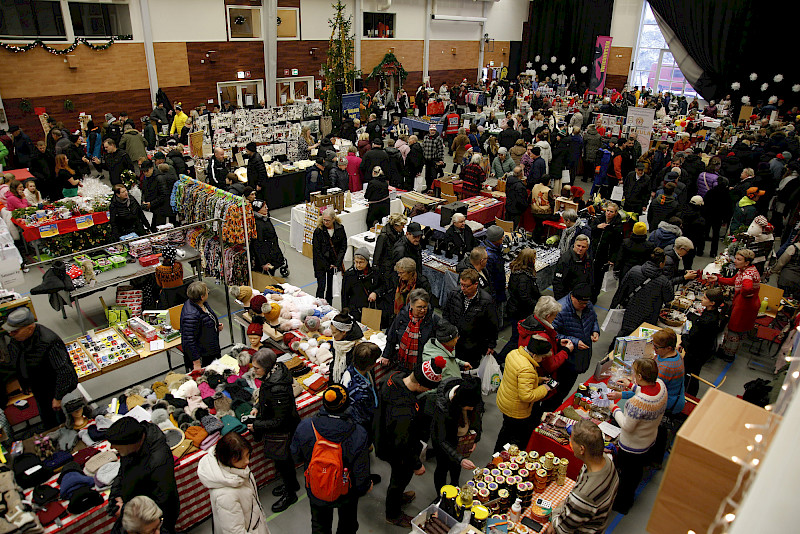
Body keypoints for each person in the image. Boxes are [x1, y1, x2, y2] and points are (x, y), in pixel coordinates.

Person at [374, 356, 445, 528]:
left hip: (381, 434)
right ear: (421, 385)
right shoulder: (405, 411)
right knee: (400, 478)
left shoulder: (394, 377)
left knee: (398, 480)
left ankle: (397, 498)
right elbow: (403, 444)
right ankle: (393, 514)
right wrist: (416, 464)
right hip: (394, 449)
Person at [290, 385, 372, 534]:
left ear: (324, 404)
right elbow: (361, 471)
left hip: (317, 485)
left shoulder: (305, 427)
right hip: (346, 490)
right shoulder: (358, 433)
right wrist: (364, 486)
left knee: (319, 526)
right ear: (347, 404)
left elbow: (295, 456)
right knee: (347, 525)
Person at [607, 358, 667, 514]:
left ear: (640, 376)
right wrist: (631, 386)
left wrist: (614, 408)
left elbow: (627, 426)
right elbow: (646, 391)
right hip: (648, 439)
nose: (633, 375)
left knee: (627, 477)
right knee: (635, 473)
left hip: (632, 446)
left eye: (634, 373)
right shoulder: (661, 386)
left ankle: (621, 504)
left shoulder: (638, 403)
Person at [3, 307, 78, 430]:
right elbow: (20, 360)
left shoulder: (49, 342)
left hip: (55, 389)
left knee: (62, 422)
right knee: (47, 418)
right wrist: (23, 382)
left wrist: (58, 397)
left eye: (15, 331)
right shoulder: (19, 339)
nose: (10, 334)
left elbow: (64, 372)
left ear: (30, 328)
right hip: (39, 387)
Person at [246, 348, 301, 513]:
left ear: (268, 367)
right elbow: (265, 396)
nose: (253, 371)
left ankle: (291, 494)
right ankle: (291, 484)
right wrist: (257, 407)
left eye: (256, 368)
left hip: (283, 431)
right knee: (284, 463)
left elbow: (279, 420)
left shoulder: (278, 388)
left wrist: (257, 425)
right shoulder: (272, 376)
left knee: (283, 462)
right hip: (280, 426)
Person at [105, 418, 179, 533]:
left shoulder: (158, 460)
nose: (112, 448)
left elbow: (163, 501)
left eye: (115, 445)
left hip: (152, 521)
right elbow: (122, 474)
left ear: (131, 443)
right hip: (134, 511)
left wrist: (125, 510)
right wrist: (115, 496)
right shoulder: (130, 447)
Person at [545, 420, 619, 534]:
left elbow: (561, 529)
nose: (570, 442)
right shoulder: (607, 461)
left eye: (572, 440)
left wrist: (556, 511)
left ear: (582, 449)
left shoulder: (584, 495)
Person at [197, 432, 270, 534]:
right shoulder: (225, 495)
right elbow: (234, 531)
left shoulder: (238, 468)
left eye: (247, 455)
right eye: (241, 458)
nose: (247, 461)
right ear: (228, 459)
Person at [494, 336, 554, 451]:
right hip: (516, 410)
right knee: (514, 438)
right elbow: (527, 396)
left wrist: (538, 379)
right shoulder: (527, 368)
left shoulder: (514, 354)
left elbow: (517, 378)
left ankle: (495, 455)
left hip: (506, 400)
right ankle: (506, 458)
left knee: (505, 431)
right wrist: (545, 388)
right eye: (542, 357)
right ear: (535, 355)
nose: (542, 360)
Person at [431, 376, 483, 492]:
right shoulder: (443, 408)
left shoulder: (472, 395)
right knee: (442, 468)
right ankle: (442, 494)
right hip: (444, 443)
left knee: (456, 467)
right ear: (459, 403)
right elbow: (442, 440)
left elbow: (477, 419)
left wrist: (475, 439)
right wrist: (460, 459)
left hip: (460, 440)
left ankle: (455, 486)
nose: (472, 409)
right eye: (469, 407)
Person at [707, 249, 760, 361]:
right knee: (734, 329)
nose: (735, 261)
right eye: (735, 258)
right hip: (744, 304)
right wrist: (718, 279)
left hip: (744, 307)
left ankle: (728, 355)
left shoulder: (747, 274)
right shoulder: (744, 270)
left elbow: (747, 288)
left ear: (747, 262)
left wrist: (744, 294)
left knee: (734, 329)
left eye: (739, 259)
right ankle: (727, 350)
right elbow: (733, 281)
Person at [610, 248, 673, 341]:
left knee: (623, 336)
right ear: (660, 264)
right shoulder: (663, 281)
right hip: (649, 316)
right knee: (640, 341)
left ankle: (613, 352)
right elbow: (669, 298)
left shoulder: (634, 270)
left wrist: (612, 307)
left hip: (630, 311)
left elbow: (621, 290)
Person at [552, 283, 600, 404]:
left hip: (580, 357)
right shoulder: (560, 310)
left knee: (566, 389)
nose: (584, 306)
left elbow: (593, 318)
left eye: (586, 303)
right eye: (581, 303)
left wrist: (595, 330)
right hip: (565, 361)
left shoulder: (587, 304)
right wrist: (574, 341)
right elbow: (553, 334)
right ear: (573, 297)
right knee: (558, 393)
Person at [442, 268, 499, 368]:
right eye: (461, 284)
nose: (462, 288)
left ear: (476, 284)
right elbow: (446, 313)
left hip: (473, 346)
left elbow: (492, 324)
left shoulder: (486, 301)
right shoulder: (454, 294)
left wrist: (491, 344)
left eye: (466, 286)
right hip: (453, 342)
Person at [498, 248, 541, 363]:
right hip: (520, 312)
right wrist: (538, 305)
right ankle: (499, 359)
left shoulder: (517, 272)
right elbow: (524, 298)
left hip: (516, 309)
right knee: (516, 339)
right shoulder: (524, 277)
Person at [383, 288, 440, 372]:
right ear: (411, 305)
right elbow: (392, 337)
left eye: (425, 307)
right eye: (419, 307)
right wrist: (386, 355)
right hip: (402, 362)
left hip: (422, 365)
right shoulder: (402, 316)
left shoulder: (433, 320)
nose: (423, 310)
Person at [681, 288, 724, 396]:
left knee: (690, 375)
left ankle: (688, 395)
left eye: (705, 298)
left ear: (712, 303)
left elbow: (694, 339)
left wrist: (683, 339)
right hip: (703, 351)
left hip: (696, 353)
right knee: (693, 373)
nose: (702, 299)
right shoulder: (712, 314)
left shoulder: (707, 321)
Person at [179, 281, 223, 370]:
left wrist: (215, 325)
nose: (208, 292)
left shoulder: (201, 304)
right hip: (203, 355)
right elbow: (188, 340)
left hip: (210, 348)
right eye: (207, 291)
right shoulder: (190, 315)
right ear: (202, 297)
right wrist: (196, 362)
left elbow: (205, 319)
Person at [341, 342, 381, 432]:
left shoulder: (354, 367)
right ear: (371, 365)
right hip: (362, 423)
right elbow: (362, 417)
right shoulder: (360, 392)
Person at [590, 202, 623, 302]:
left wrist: (612, 259)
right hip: (593, 252)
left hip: (604, 256)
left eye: (611, 212)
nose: (608, 213)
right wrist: (597, 227)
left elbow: (617, 245)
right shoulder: (598, 219)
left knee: (598, 279)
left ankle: (594, 297)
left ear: (616, 213)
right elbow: (590, 229)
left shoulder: (617, 226)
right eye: (607, 211)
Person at [312, 208, 347, 304]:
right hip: (321, 264)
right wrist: (327, 265)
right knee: (321, 286)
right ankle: (318, 305)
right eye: (324, 220)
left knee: (330, 288)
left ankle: (329, 305)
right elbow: (317, 251)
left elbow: (343, 247)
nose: (325, 222)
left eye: (327, 220)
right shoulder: (318, 231)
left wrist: (337, 263)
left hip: (334, 263)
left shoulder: (340, 229)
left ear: (333, 219)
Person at [342, 247, 384, 323]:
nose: (358, 265)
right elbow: (344, 294)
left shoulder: (375, 272)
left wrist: (376, 293)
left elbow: (383, 286)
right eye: (356, 262)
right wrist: (345, 311)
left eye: (361, 262)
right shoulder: (349, 274)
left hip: (370, 308)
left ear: (367, 261)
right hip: (355, 310)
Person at [250, 200, 285, 276]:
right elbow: (258, 245)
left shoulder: (265, 218)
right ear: (259, 210)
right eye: (264, 207)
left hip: (272, 252)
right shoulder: (258, 224)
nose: (267, 208)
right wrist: (263, 263)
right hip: (267, 257)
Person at [553, 235, 592, 301]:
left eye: (583, 247)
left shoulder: (588, 259)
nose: (580, 249)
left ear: (587, 247)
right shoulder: (565, 260)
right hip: (568, 297)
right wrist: (560, 301)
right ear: (574, 244)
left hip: (581, 295)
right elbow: (557, 283)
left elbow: (590, 276)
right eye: (578, 246)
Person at [373, 213, 407, 286]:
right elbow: (377, 256)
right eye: (402, 225)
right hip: (385, 268)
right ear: (395, 225)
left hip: (394, 265)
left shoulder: (400, 233)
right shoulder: (383, 236)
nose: (403, 227)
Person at [484, 225, 508, 311]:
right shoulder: (489, 256)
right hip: (494, 291)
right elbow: (491, 277)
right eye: (501, 237)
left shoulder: (494, 248)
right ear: (495, 239)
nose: (503, 238)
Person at [422, 125, 445, 191]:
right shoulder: (426, 137)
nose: (432, 131)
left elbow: (441, 150)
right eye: (431, 130)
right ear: (429, 130)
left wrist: (441, 160)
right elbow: (423, 147)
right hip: (427, 160)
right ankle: (428, 188)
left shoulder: (438, 139)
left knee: (433, 176)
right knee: (427, 176)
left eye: (434, 130)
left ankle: (434, 189)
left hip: (434, 160)